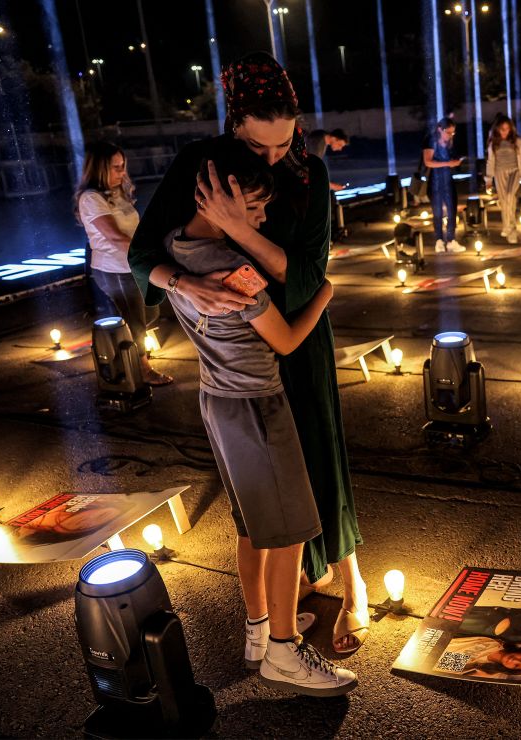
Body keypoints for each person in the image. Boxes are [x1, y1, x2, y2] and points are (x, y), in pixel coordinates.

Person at [128, 52, 371, 659]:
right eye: (259, 146)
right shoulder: (198, 165)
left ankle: (350, 581)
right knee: (258, 491)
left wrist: (239, 230)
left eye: (284, 141)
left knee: (319, 455)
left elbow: (308, 273)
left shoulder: (309, 174)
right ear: (235, 123)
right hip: (236, 350)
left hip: (296, 340)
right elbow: (143, 253)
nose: (273, 157)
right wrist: (186, 284)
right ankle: (268, 622)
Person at [162, 138, 355, 697]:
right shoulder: (235, 272)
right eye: (254, 209)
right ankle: (284, 654)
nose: (263, 219)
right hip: (258, 405)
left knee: (252, 526)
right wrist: (323, 292)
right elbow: (289, 340)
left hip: (217, 400)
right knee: (291, 531)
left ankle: (257, 631)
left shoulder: (177, 249)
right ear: (217, 200)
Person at [76, 142, 172, 386]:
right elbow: (116, 238)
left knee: (151, 312)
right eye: (115, 168)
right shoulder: (91, 198)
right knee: (136, 319)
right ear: (99, 169)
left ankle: (123, 349)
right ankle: (142, 369)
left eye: (122, 166)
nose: (121, 172)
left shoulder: (116, 193)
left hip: (134, 266)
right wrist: (153, 255)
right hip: (114, 268)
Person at [485, 114, 521, 244]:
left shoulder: (517, 141)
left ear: (511, 129)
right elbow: (490, 161)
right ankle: (510, 229)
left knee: (510, 195)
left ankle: (510, 227)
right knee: (505, 201)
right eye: (502, 128)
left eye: (507, 128)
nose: (505, 131)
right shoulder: (493, 142)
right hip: (500, 173)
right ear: (497, 129)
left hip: (514, 171)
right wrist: (489, 179)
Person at [423, 117, 466, 253]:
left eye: (453, 133)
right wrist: (448, 163)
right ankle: (439, 241)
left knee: (452, 209)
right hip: (435, 181)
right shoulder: (431, 141)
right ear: (439, 129)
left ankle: (451, 240)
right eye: (448, 132)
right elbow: (428, 162)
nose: (450, 135)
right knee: (437, 211)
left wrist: (456, 162)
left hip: (448, 179)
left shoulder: (449, 143)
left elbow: (450, 158)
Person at [439, 636, 521, 679]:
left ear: (512, 670)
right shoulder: (494, 642)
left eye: (516, 666)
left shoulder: (484, 669)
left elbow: (440, 664)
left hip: (429, 654)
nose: (515, 660)